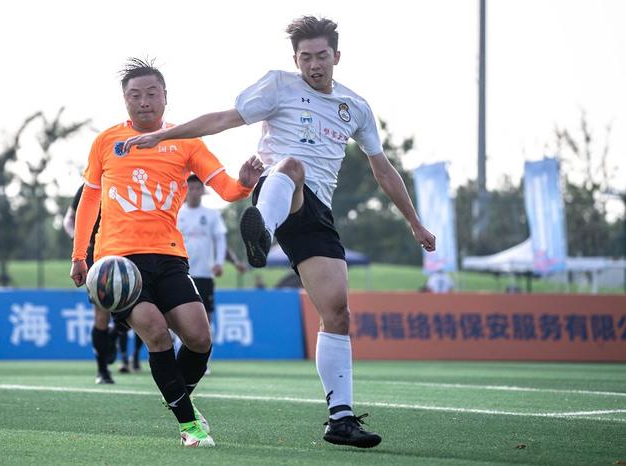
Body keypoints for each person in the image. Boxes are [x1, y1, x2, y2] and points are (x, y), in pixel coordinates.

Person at [123, 17, 436, 449]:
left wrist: (415, 222)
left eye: (321, 56)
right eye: (305, 57)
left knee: (338, 312)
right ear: (295, 60)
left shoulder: (356, 107)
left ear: (336, 57)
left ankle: (340, 419)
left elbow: (382, 169)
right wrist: (164, 135)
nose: (313, 64)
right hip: (277, 191)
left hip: (315, 213)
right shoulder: (279, 85)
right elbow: (224, 119)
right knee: (291, 165)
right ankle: (261, 231)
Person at [70, 58, 263, 448]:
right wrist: (79, 255)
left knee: (199, 338)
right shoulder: (106, 141)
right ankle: (189, 426)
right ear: (125, 101)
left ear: (164, 97)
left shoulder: (187, 140)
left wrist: (244, 185)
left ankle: (177, 398)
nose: (144, 102)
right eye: (134, 95)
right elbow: (90, 198)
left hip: (170, 256)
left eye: (151, 93)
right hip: (119, 265)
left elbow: (225, 188)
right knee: (156, 333)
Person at [177, 174, 247, 373]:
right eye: (190, 188)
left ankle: (202, 361)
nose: (194, 192)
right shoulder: (176, 213)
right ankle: (178, 358)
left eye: (198, 188)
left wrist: (218, 263)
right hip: (181, 273)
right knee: (178, 319)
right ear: (185, 190)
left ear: (202, 190)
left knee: (205, 319)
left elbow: (219, 240)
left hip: (204, 275)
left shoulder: (212, 214)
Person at [63, 184, 117, 384]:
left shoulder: (130, 178)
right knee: (101, 314)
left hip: (128, 251)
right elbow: (68, 219)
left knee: (132, 312)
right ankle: (102, 370)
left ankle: (113, 336)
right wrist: (78, 240)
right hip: (97, 255)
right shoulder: (89, 187)